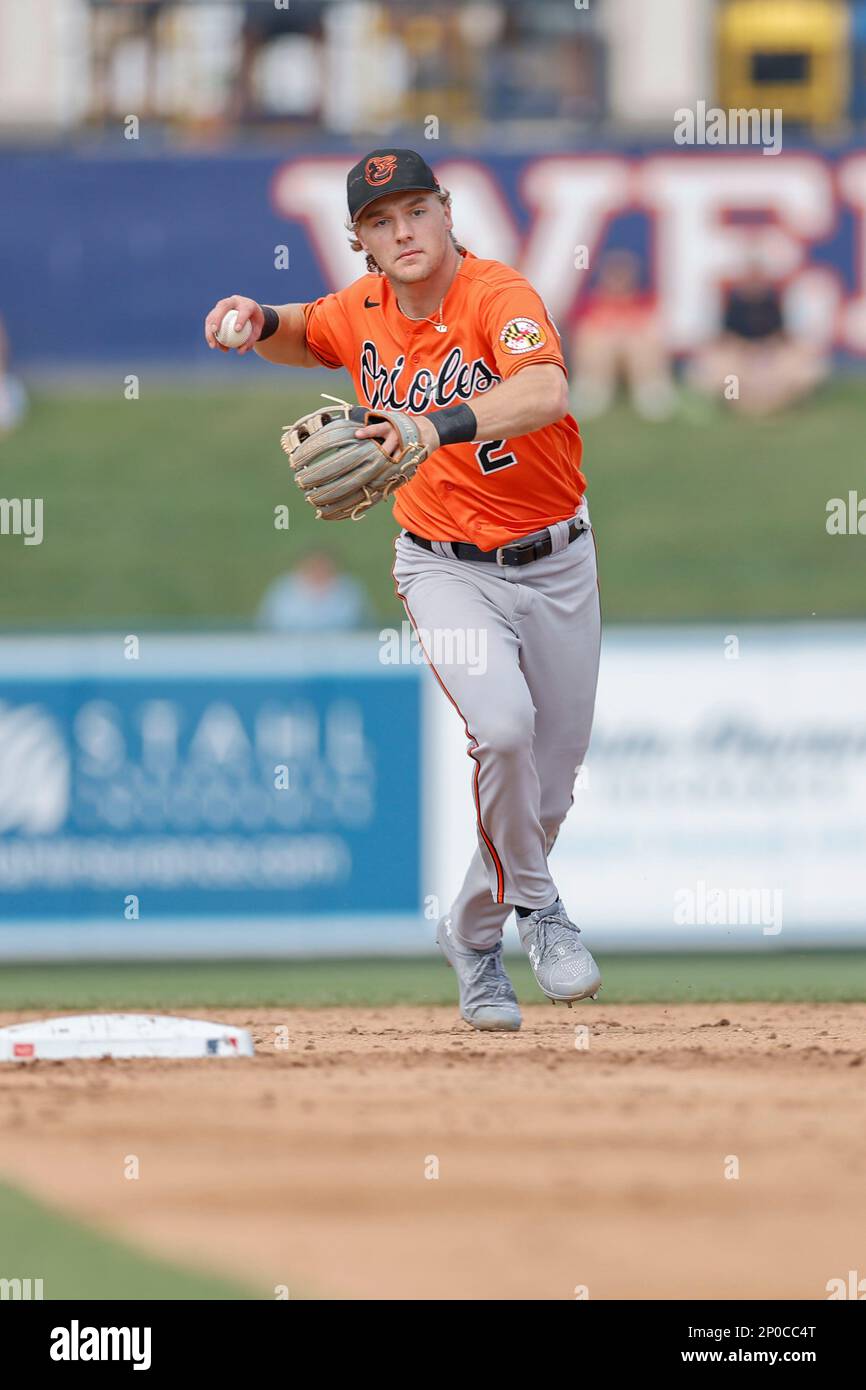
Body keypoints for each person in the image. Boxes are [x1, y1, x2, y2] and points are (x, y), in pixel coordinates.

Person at [204, 148, 602, 1032]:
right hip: (443, 565)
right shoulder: (363, 309)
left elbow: (544, 389)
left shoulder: (499, 296)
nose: (403, 231)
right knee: (502, 730)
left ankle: (470, 936)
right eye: (381, 222)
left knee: (550, 787)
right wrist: (251, 314)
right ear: (361, 243)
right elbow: (300, 330)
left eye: (416, 210)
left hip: (560, 558)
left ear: (447, 212)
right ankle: (541, 914)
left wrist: (432, 423)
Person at [689, 260, 827, 416]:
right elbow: (724, 338)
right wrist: (744, 349)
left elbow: (784, 336)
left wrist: (767, 348)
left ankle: (787, 402)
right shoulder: (733, 305)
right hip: (739, 357)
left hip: (771, 357)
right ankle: (732, 404)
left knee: (802, 364)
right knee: (722, 369)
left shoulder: (774, 303)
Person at [570, 249, 677, 420]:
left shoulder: (644, 302)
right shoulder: (591, 304)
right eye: (614, 275)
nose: (618, 281)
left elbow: (655, 332)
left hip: (635, 358)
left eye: (623, 275)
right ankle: (592, 389)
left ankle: (651, 390)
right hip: (602, 358)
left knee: (642, 340)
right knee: (595, 339)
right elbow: (581, 334)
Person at [257, 550, 370, 632]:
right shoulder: (283, 589)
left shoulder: (349, 590)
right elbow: (267, 624)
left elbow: (364, 624)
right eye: (314, 567)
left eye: (323, 567)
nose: (319, 571)